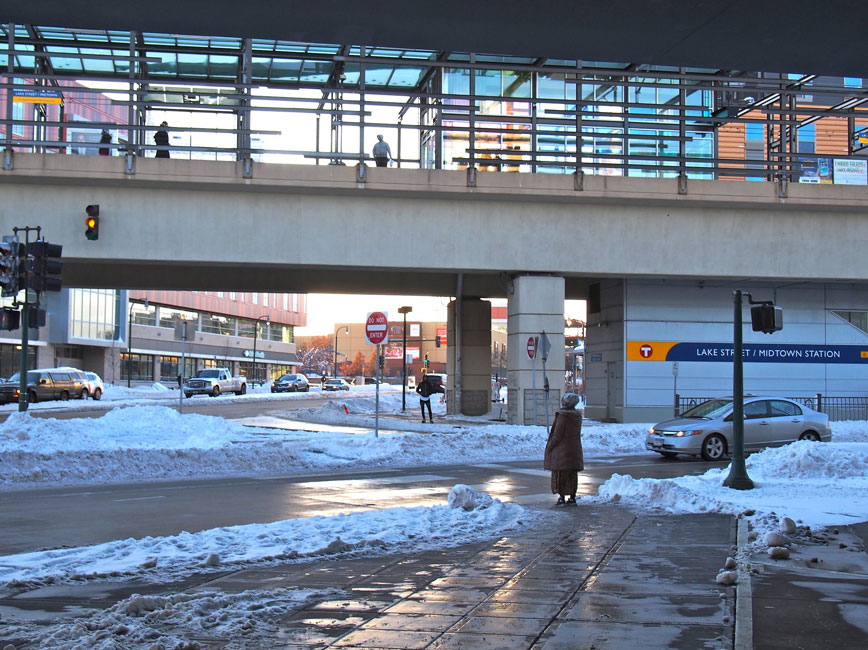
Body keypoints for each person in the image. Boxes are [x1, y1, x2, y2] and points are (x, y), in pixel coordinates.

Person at [544, 393, 583, 506]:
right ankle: (572, 497)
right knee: (571, 475)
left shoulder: (563, 416)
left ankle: (561, 497)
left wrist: (550, 446)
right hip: (574, 449)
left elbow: (557, 435)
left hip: (561, 451)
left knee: (560, 475)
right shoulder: (577, 416)